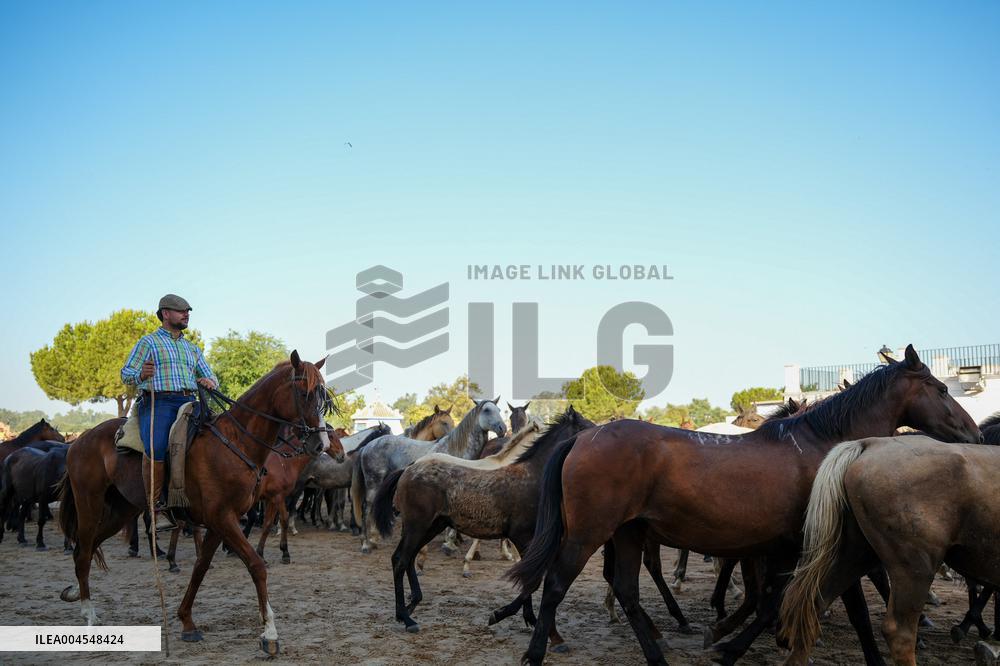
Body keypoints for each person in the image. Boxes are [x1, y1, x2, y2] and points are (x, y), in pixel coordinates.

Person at [121, 294, 218, 528]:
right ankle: (157, 508)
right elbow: (126, 374)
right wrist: (141, 375)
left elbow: (211, 375)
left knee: (219, 437)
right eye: (181, 311)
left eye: (188, 312)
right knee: (157, 446)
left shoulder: (192, 348)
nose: (186, 315)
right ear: (166, 314)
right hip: (158, 402)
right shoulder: (149, 342)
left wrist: (210, 381)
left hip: (189, 402)